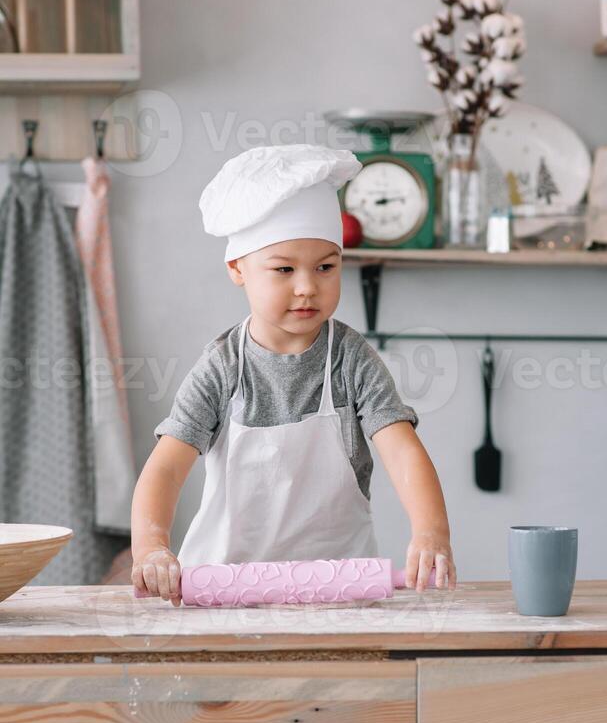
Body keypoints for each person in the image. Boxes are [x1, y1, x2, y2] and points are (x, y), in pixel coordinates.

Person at [131, 144, 456, 606]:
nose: (307, 286)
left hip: (338, 591)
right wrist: (151, 548)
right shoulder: (223, 367)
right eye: (284, 269)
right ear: (237, 268)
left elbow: (402, 451)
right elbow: (166, 467)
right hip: (226, 589)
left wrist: (431, 533)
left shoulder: (352, 360)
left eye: (326, 267)